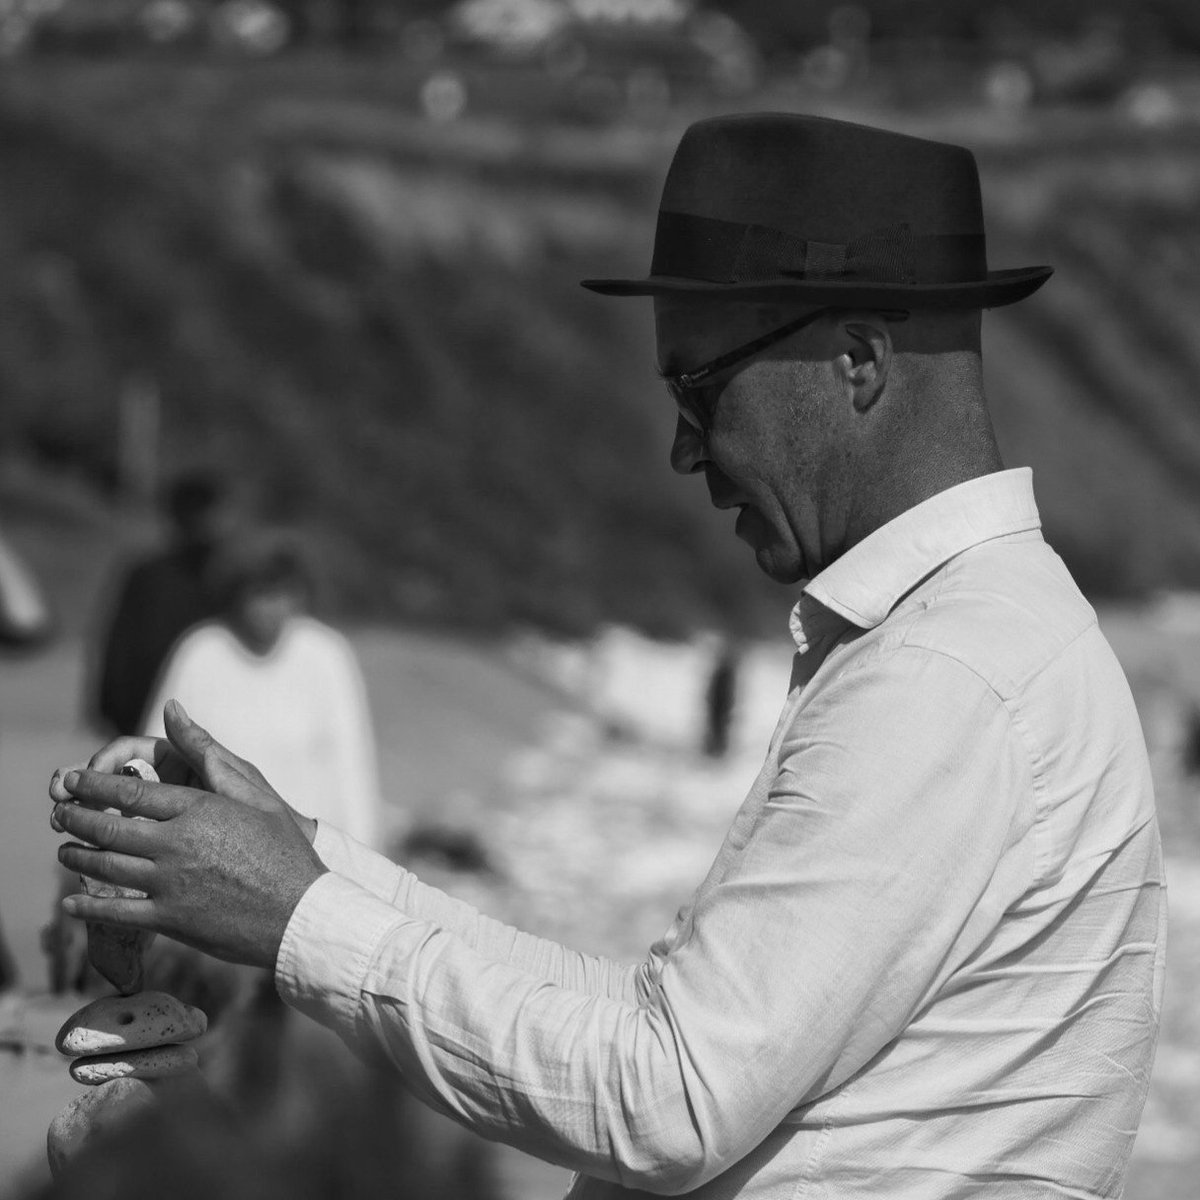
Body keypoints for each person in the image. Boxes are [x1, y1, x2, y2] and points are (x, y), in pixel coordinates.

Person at [48, 114, 1166, 1199]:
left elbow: (668, 1097)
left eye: (699, 385)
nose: (686, 447)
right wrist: (304, 857)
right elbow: (663, 1028)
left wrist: (297, 914)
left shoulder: (947, 675)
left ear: (858, 360)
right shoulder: (977, 636)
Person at [138, 532, 383, 849]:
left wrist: (363, 851)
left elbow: (352, 766)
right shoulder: (201, 652)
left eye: (282, 593)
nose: (272, 608)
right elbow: (159, 746)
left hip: (311, 849)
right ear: (234, 595)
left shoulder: (327, 655)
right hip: (220, 847)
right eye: (260, 594)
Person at [88, 470, 237, 737]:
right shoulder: (148, 576)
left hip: (217, 717)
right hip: (147, 715)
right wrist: (111, 709)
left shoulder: (231, 577)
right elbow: (120, 647)